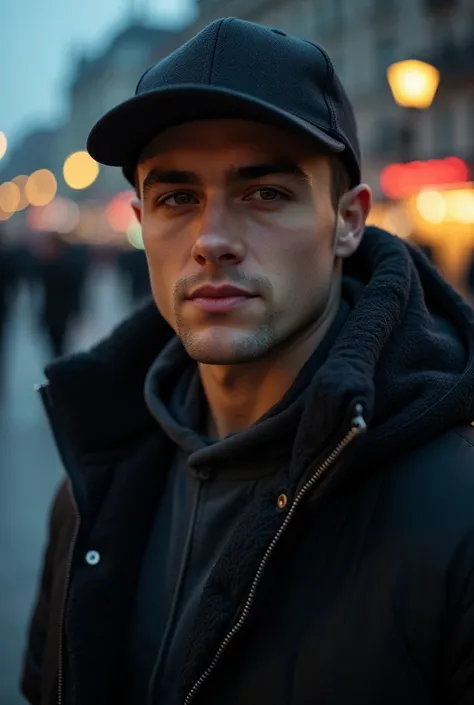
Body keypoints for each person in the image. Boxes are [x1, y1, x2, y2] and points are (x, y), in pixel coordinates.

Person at [21, 18, 474, 705]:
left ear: (349, 220)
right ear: (141, 223)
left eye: (265, 193)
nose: (212, 239)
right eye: (177, 197)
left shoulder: (458, 509)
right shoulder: (91, 484)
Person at [34, 232, 90, 358]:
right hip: (49, 312)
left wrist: (77, 311)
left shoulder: (67, 266)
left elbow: (75, 291)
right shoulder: (44, 265)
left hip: (63, 312)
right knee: (52, 346)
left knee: (61, 346)